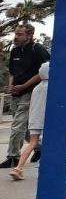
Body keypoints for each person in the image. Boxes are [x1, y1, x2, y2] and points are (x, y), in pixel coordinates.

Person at [4, 23, 49, 169]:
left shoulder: (38, 50)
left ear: (29, 36)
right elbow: (12, 71)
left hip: (31, 92)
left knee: (18, 125)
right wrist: (11, 85)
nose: (16, 37)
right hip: (16, 93)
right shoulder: (15, 51)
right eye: (15, 34)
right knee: (25, 126)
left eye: (19, 34)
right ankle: (38, 147)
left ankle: (13, 156)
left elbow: (43, 72)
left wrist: (25, 85)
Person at [9, 61, 48, 181]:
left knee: (32, 143)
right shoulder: (53, 86)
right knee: (50, 143)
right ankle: (45, 166)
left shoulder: (37, 88)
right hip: (47, 118)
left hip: (35, 118)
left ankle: (18, 168)